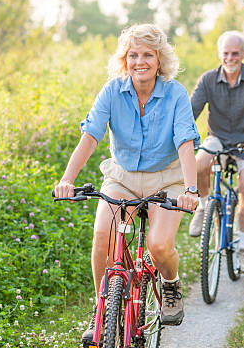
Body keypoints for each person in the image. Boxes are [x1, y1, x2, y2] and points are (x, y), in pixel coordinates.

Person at [53, 24, 200, 344]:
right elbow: (90, 136)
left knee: (159, 246)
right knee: (102, 233)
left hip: (168, 178)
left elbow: (185, 142)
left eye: (148, 55)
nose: (140, 61)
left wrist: (190, 189)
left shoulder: (174, 93)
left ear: (160, 60)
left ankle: (171, 284)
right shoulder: (112, 90)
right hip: (123, 177)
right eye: (133, 55)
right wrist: (67, 180)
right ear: (125, 59)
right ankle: (101, 307)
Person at [189, 30, 244, 273]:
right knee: (199, 163)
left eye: (235, 53)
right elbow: (190, 112)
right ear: (220, 54)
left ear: (243, 54)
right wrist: (181, 138)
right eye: (226, 53)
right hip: (218, 138)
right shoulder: (208, 79)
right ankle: (204, 207)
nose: (230, 58)